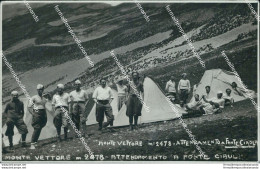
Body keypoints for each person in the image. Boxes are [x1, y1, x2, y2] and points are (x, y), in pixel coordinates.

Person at [28, 84, 48, 150]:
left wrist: (45, 114)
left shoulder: (44, 98)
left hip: (43, 113)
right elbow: (29, 107)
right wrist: (33, 114)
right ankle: (32, 144)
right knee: (37, 128)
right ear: (37, 90)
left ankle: (35, 142)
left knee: (40, 128)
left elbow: (44, 106)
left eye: (41, 89)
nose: (40, 90)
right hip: (36, 112)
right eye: (39, 89)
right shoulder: (34, 97)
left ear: (43, 90)